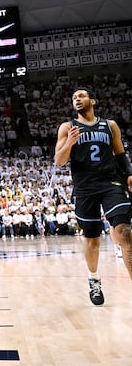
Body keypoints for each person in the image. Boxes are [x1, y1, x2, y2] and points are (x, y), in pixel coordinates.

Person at [54, 87, 132, 306]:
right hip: (85, 188)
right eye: (74, 98)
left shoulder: (110, 126)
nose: (77, 99)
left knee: (125, 233)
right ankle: (94, 278)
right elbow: (59, 161)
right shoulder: (67, 127)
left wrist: (129, 175)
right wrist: (69, 142)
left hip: (111, 183)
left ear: (93, 101)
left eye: (81, 96)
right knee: (92, 240)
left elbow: (121, 155)